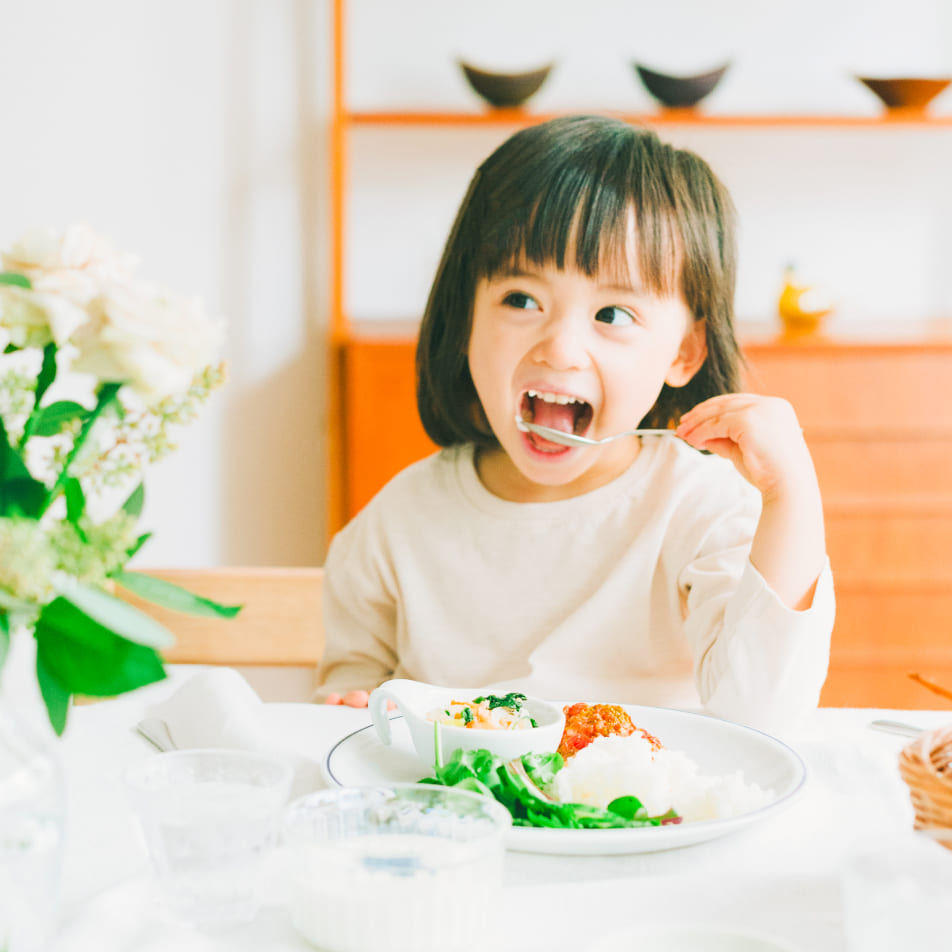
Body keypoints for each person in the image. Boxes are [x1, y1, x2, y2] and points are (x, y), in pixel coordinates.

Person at [316, 115, 834, 732]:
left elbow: (765, 713)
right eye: (521, 300)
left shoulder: (701, 508)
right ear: (467, 322)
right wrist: (350, 701)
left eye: (612, 312)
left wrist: (791, 495)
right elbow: (352, 685)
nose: (558, 348)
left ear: (683, 354)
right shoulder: (398, 522)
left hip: (649, 817)